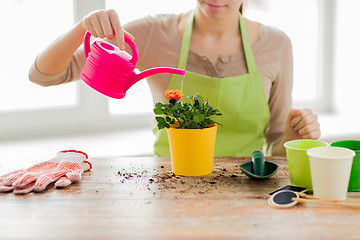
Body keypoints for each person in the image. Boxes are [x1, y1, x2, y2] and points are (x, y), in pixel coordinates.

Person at [29, 0, 321, 157]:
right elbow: (43, 75)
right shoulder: (151, 34)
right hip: (169, 188)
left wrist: (293, 139)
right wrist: (83, 27)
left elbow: (276, 147)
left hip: (247, 195)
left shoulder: (277, 45)